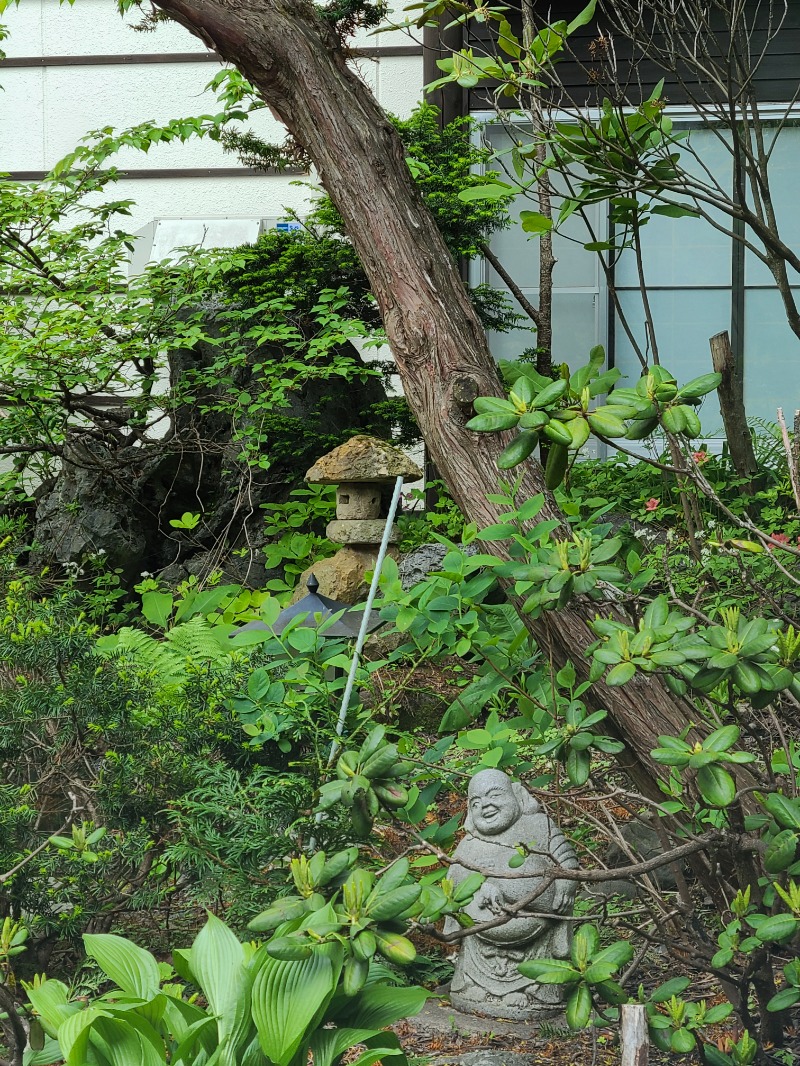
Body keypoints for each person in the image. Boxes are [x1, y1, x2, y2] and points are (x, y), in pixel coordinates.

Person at [446, 769, 579, 1020]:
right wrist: (480, 885)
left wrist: (565, 885)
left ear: (516, 795)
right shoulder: (470, 842)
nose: (485, 805)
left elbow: (567, 860)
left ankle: (536, 991)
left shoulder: (539, 826)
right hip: (481, 930)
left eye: (494, 795)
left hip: (535, 923)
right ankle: (473, 985)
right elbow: (455, 878)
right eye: (476, 803)